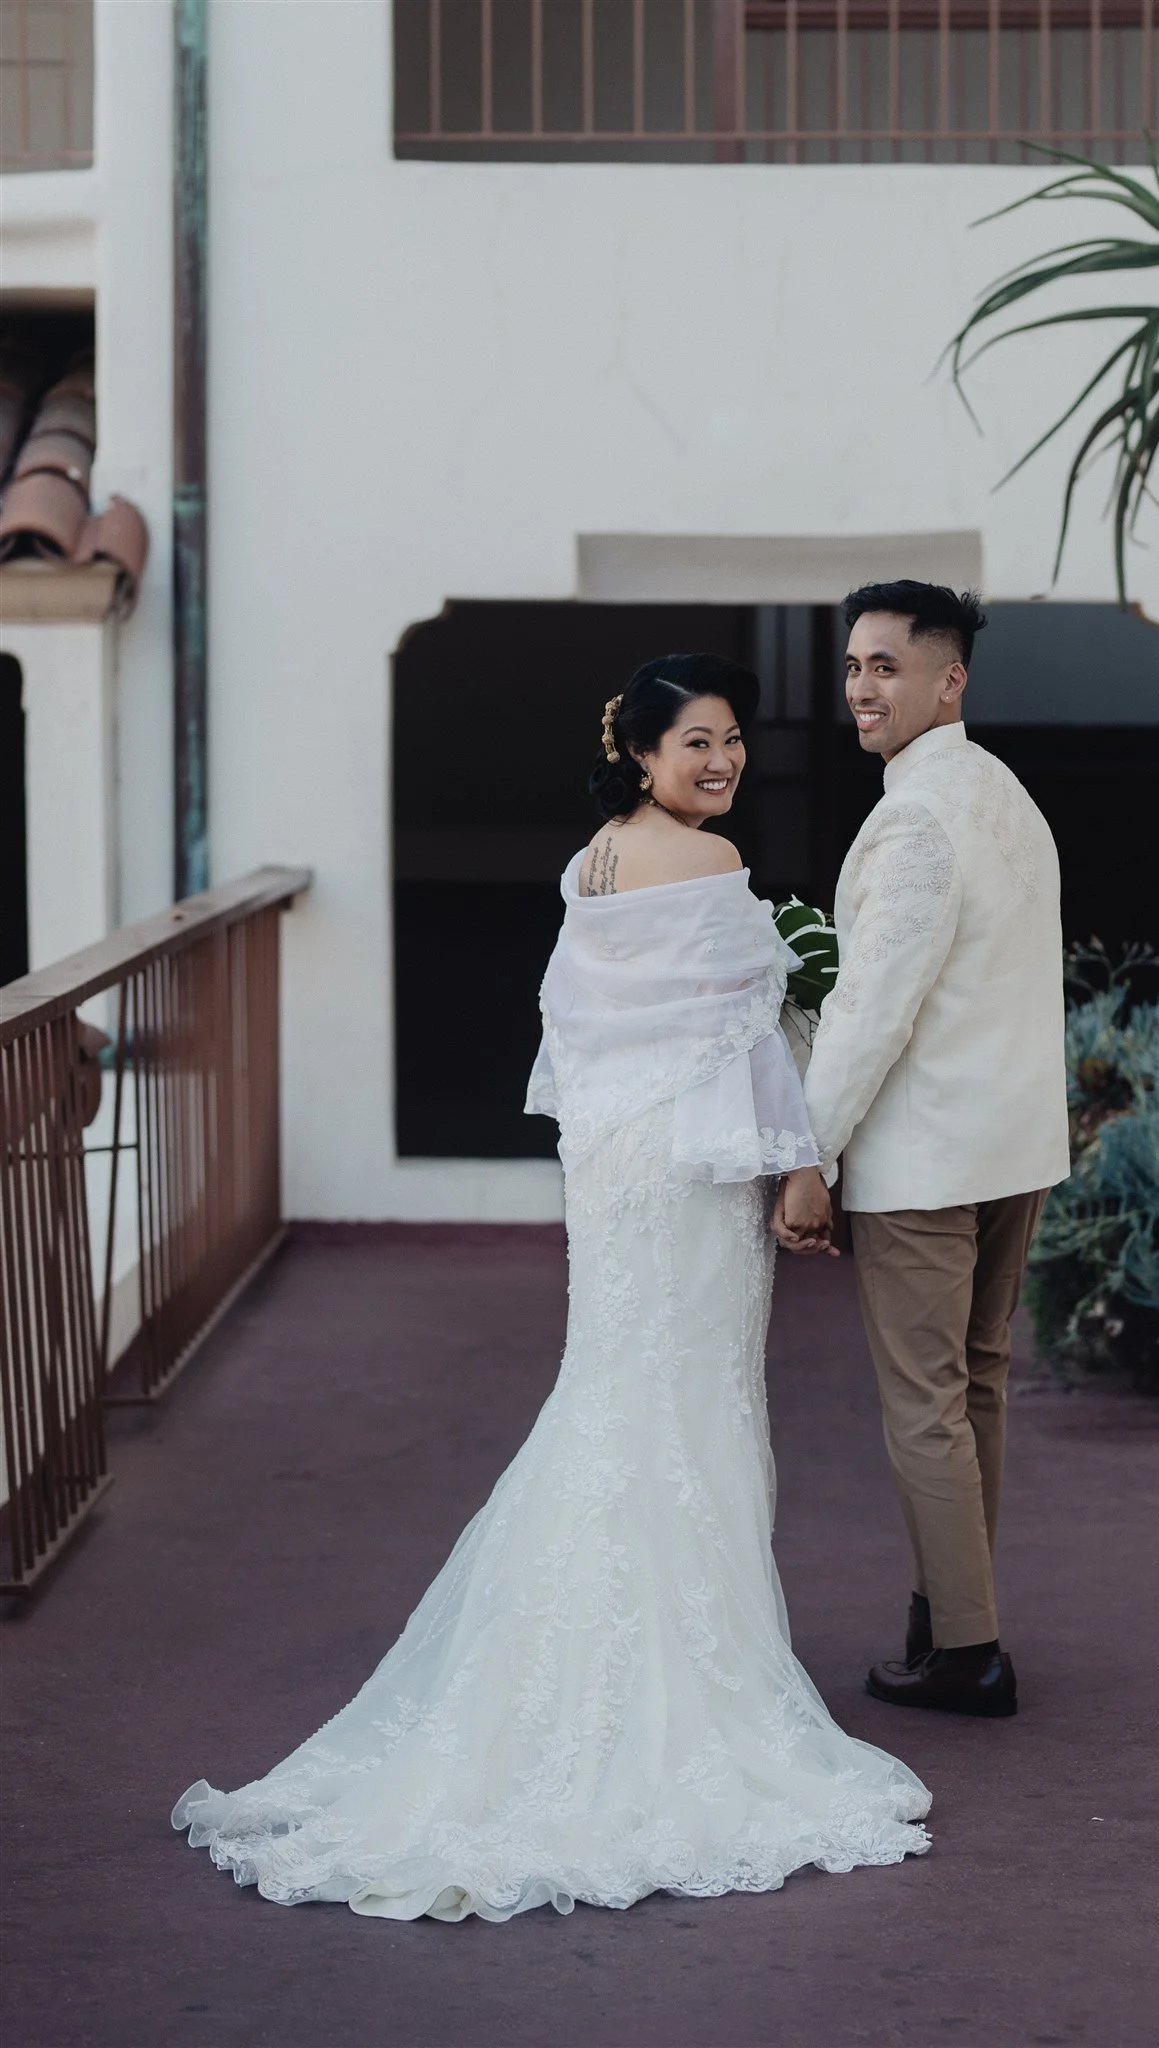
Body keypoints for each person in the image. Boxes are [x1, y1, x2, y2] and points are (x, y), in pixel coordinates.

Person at [172, 651, 930, 1924]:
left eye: (733, 739)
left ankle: (566, 1668)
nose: (724, 760)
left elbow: (580, 1029)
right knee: (692, 1400)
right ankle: (689, 1686)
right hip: (687, 1172)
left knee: (613, 1391)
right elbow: (748, 1038)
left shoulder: (589, 863)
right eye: (695, 742)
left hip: (614, 1166)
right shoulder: (710, 867)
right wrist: (807, 1167)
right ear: (640, 753)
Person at [781, 583, 1070, 1719]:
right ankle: (951, 1610)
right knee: (975, 1386)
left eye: (886, 666)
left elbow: (872, 1008)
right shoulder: (1002, 792)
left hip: (931, 1155)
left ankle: (966, 1649)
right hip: (1012, 1144)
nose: (861, 686)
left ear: (949, 680)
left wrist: (814, 1154)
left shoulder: (912, 818)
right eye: (853, 664)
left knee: (926, 1403)